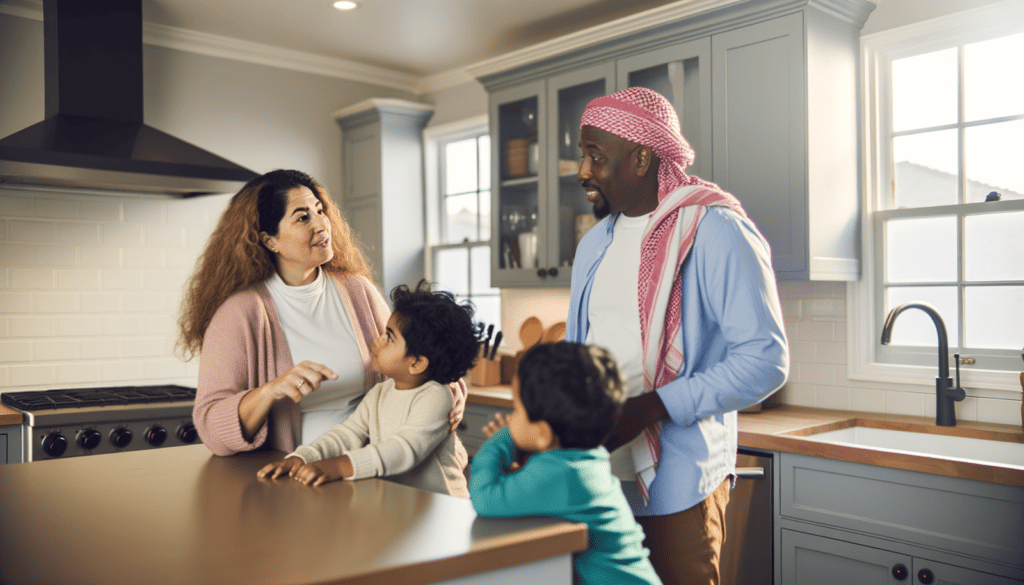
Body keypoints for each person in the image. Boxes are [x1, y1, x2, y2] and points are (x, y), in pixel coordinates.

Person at [567, 87, 789, 584]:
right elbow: (577, 355)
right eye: (584, 156)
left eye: (595, 157)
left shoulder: (717, 231)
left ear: (641, 158)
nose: (582, 172)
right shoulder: (594, 245)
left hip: (680, 482)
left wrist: (651, 407)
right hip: (598, 476)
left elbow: (765, 359)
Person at [178, 169, 466, 458]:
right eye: (303, 217)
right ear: (269, 240)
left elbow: (417, 354)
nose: (321, 224)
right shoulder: (241, 313)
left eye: (320, 210)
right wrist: (270, 391)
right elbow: (212, 428)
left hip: (380, 468)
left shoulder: (357, 292)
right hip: (298, 479)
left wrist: (448, 388)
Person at [257, 281, 478, 497]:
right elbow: (346, 434)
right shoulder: (381, 392)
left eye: (389, 338)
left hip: (443, 510)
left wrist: (339, 467)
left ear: (417, 363)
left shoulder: (435, 397)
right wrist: (302, 458)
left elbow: (402, 450)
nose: (377, 341)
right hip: (402, 507)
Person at [471, 342, 662, 585]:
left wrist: (504, 438)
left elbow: (485, 496)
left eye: (516, 408)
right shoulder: (585, 461)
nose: (510, 418)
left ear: (542, 433)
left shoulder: (563, 475)